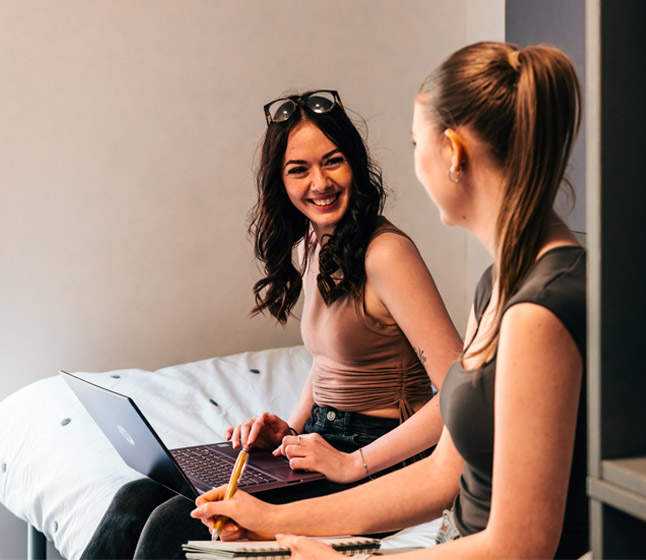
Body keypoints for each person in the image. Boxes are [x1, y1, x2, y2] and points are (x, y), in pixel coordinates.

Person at [192, 41, 588, 560]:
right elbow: (442, 476)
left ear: (452, 153)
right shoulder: (501, 283)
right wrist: (271, 520)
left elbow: (522, 544)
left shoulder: (541, 308)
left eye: (414, 142)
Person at [81, 89, 462, 560]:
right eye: (299, 169)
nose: (319, 183)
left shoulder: (387, 253)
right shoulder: (314, 242)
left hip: (382, 457)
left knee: (172, 525)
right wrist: (290, 429)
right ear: (280, 181)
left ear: (355, 166)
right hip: (324, 441)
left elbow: (458, 391)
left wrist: (352, 463)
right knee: (134, 498)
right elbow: (327, 363)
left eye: (333, 162)